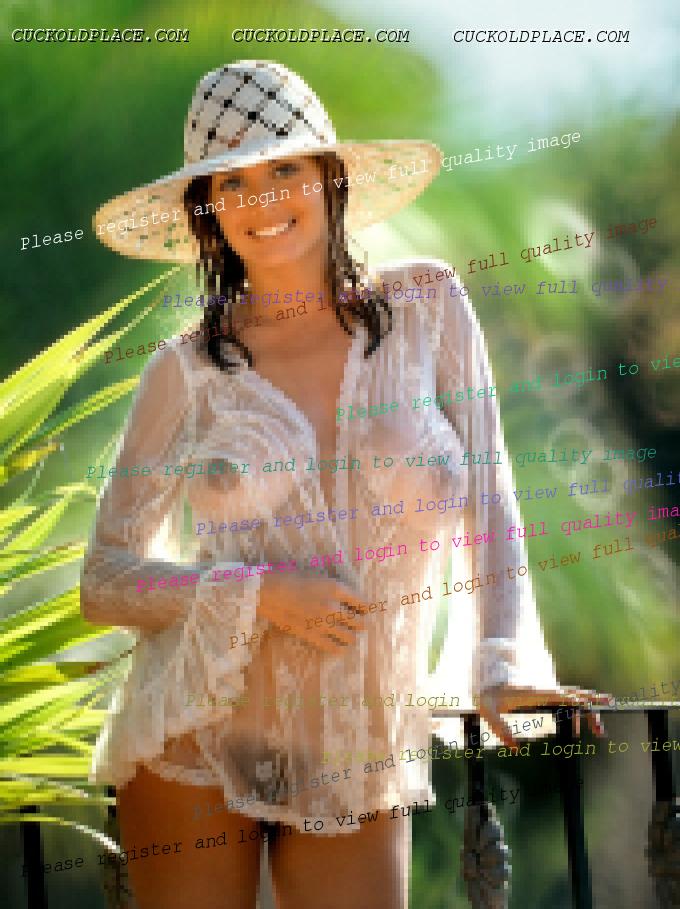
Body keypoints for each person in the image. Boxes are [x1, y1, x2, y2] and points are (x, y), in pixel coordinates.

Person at [83, 61, 604, 909]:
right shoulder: (184, 371)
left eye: (284, 167)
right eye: (232, 181)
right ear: (207, 208)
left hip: (358, 741)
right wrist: (259, 592)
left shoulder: (428, 307)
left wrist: (501, 658)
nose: (261, 198)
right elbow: (105, 578)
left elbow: (491, 490)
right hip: (195, 737)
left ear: (331, 176)